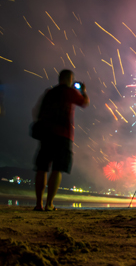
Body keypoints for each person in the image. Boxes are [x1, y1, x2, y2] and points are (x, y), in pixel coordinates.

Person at [32, 69, 89, 211]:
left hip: (46, 134)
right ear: (70, 79)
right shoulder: (70, 92)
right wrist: (83, 91)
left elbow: (37, 112)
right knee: (57, 169)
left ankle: (38, 204)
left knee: (42, 168)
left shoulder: (49, 92)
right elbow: (85, 103)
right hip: (63, 135)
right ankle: (49, 204)